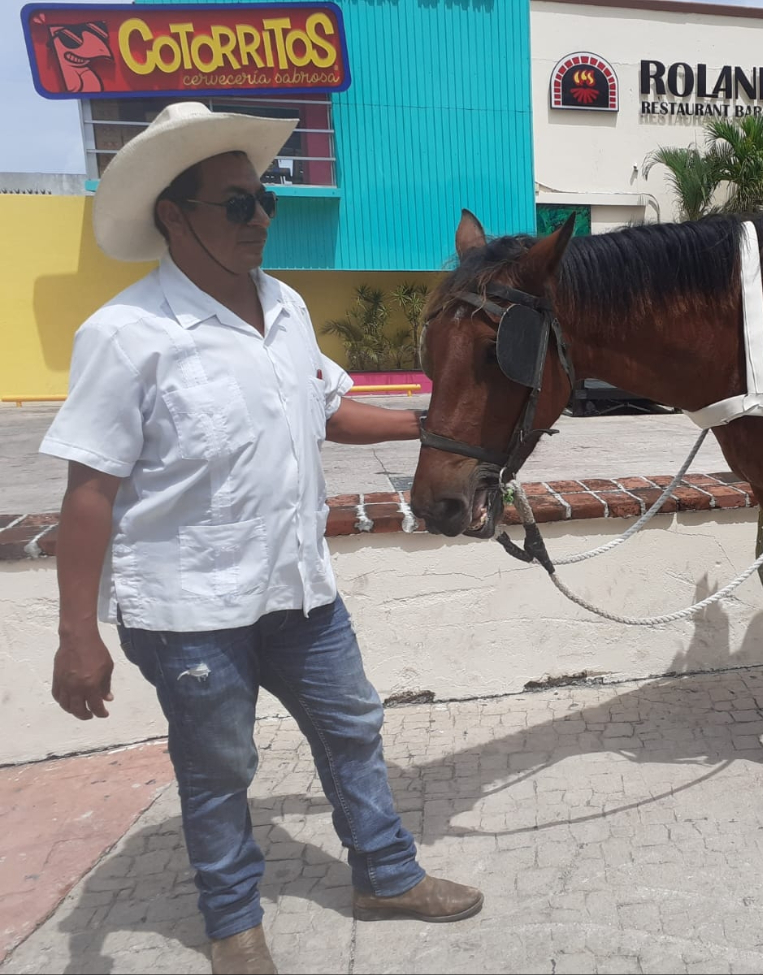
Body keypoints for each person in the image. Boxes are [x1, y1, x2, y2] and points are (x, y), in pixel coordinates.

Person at [41, 103, 480, 975]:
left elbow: (327, 407)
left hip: (299, 589)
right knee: (221, 768)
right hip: (188, 606)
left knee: (353, 723)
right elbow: (89, 490)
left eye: (266, 199)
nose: (262, 218)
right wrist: (76, 633)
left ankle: (386, 875)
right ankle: (234, 923)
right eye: (236, 203)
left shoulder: (284, 308)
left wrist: (434, 425)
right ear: (175, 214)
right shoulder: (127, 334)